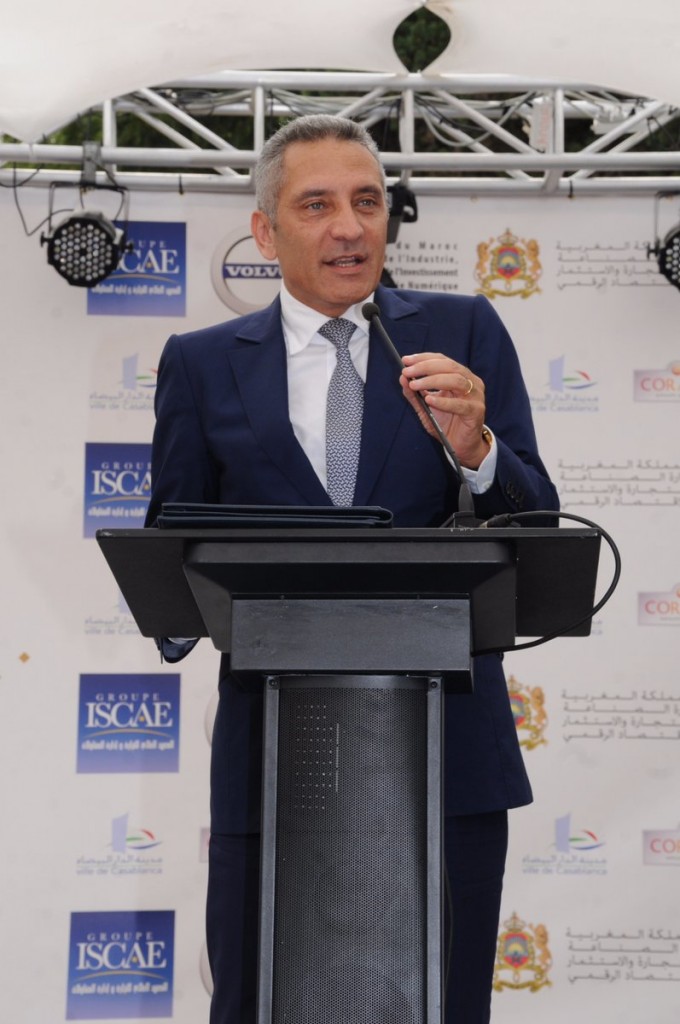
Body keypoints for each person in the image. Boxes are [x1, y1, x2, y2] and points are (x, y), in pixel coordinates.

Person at [145, 114, 559, 1023]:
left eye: (368, 202)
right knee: (262, 996)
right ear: (266, 232)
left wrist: (478, 449)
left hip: (446, 744)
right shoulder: (202, 365)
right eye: (318, 205)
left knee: (442, 1000)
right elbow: (171, 543)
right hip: (275, 751)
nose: (350, 227)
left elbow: (536, 523)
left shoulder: (462, 331)